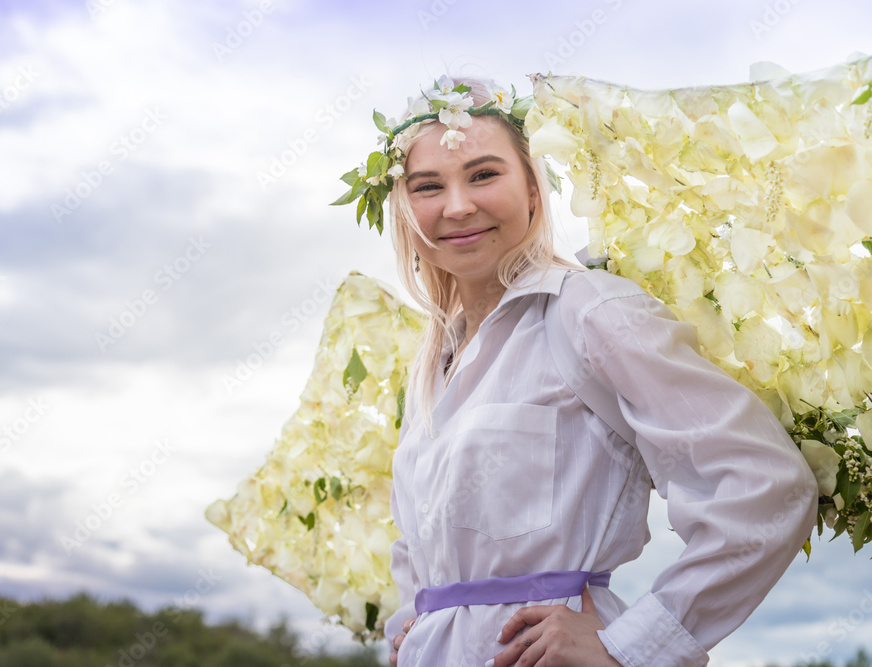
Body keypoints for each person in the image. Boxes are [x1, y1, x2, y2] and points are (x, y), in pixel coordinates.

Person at [339, 75, 818, 667]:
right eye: (428, 186)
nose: (457, 205)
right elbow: (420, 544)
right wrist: (409, 627)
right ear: (406, 209)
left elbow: (765, 484)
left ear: (533, 190)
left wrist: (632, 645)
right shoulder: (431, 367)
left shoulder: (589, 311)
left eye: (485, 174)